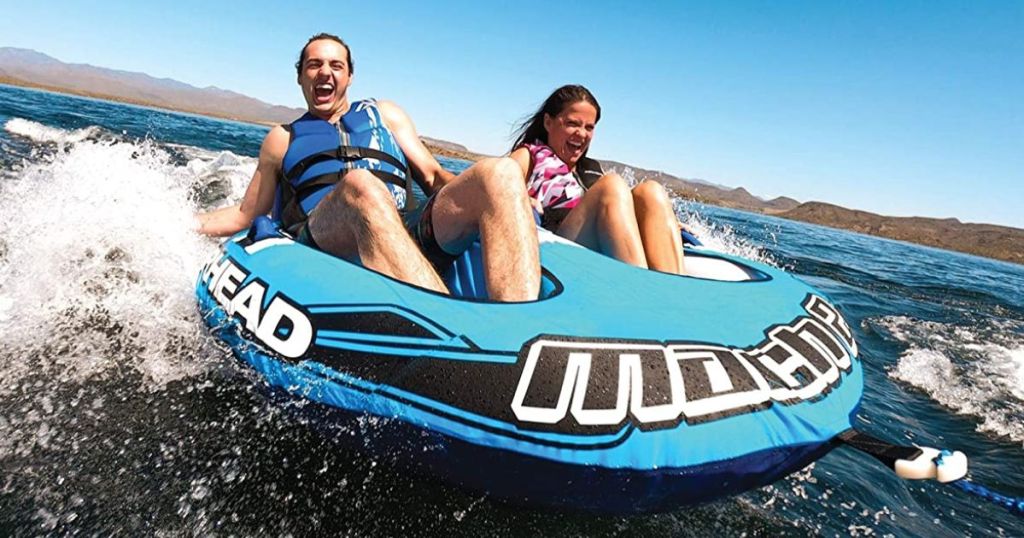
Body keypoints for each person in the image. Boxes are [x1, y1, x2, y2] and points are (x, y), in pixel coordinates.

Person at [196, 34, 539, 302]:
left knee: (500, 171)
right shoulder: (281, 139)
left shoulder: (386, 114)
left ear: (350, 76)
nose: (325, 72)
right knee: (361, 185)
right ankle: (448, 328)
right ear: (300, 76)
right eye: (314, 65)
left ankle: (519, 329)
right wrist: (179, 222)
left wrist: (503, 198)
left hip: (403, 228)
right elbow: (245, 214)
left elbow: (434, 177)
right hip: (327, 240)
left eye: (336, 65)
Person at [509, 85, 685, 274]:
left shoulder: (592, 170)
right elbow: (493, 184)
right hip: (555, 247)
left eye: (589, 127)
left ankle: (673, 286)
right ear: (548, 122)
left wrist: (660, 219)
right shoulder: (528, 156)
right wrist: (521, 198)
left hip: (593, 246)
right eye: (572, 124)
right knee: (612, 185)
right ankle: (641, 286)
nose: (582, 134)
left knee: (650, 191)